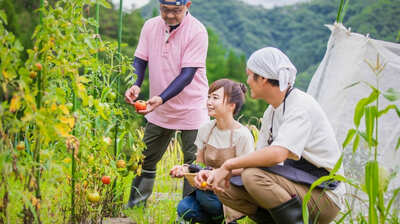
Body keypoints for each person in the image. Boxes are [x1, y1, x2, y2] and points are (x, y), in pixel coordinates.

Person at [197, 47, 345, 224]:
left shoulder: (300, 106)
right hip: (294, 184)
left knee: (253, 176)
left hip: (323, 195)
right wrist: (215, 173)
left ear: (263, 78)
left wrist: (227, 165)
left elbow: (277, 154)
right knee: (223, 184)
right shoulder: (272, 111)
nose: (248, 81)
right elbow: (257, 159)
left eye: (250, 75)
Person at [124, 0, 209, 208]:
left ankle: (189, 211)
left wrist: (160, 98)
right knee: (146, 157)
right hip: (159, 108)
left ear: (188, 5)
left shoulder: (197, 32)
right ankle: (136, 205)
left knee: (193, 163)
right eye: (165, 10)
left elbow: (187, 74)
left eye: (176, 11)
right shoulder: (150, 26)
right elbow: (140, 60)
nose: (170, 15)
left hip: (191, 107)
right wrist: (135, 84)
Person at [170, 79, 255, 224]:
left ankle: (225, 217)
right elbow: (200, 164)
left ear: (231, 106)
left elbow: (247, 169)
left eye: (215, 98)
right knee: (184, 208)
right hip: (206, 188)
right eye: (208, 97)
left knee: (206, 199)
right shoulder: (205, 129)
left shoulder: (243, 135)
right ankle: (219, 220)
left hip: (229, 192)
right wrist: (184, 169)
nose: (209, 101)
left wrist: (218, 172)